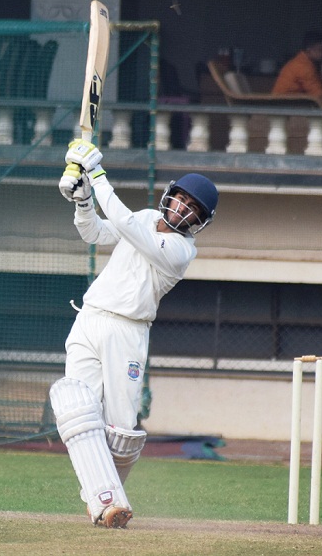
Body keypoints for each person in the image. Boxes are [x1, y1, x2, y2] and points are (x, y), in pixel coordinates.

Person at [52, 139, 218, 528]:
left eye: (192, 209)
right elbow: (95, 232)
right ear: (169, 195)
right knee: (76, 407)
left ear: (199, 222)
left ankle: (105, 497)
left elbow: (124, 224)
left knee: (122, 431)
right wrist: (82, 202)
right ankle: (105, 503)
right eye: (180, 199)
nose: (182, 209)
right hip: (90, 317)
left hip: (128, 331)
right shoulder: (145, 217)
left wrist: (96, 174)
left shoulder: (180, 251)